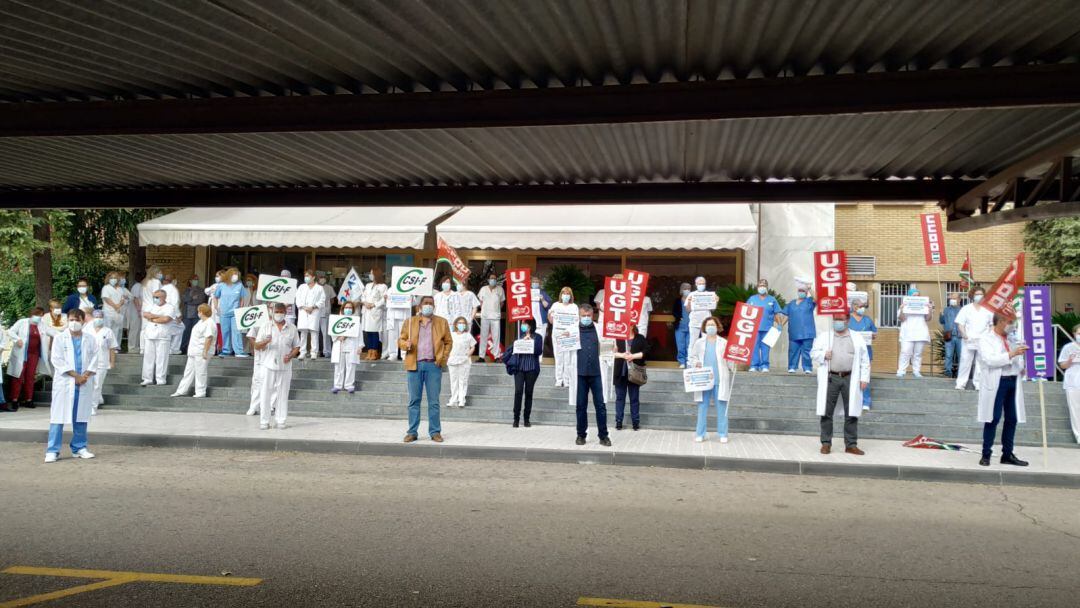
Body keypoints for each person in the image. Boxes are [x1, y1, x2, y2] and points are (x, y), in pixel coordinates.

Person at [811, 312, 870, 455]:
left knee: (852, 412)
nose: (838, 322)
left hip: (851, 377)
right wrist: (823, 354)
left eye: (841, 319)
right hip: (831, 377)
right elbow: (813, 353)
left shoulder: (856, 337)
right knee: (826, 411)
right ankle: (826, 443)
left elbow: (864, 359)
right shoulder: (825, 336)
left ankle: (851, 444)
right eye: (836, 319)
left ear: (847, 321)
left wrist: (864, 378)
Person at [45, 309, 99, 463]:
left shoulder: (90, 339)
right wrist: (76, 376)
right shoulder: (60, 338)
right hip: (65, 382)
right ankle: (52, 450)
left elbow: (95, 357)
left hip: (84, 382)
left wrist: (85, 376)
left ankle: (79, 448)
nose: (73, 323)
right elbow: (57, 359)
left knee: (81, 416)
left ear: (83, 321)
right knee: (58, 417)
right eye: (70, 319)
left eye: (76, 319)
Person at [977, 313, 1029, 466]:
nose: (1012, 325)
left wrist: (1022, 366)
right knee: (993, 418)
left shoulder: (1011, 338)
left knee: (1012, 418)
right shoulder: (986, 339)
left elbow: (1016, 359)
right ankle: (986, 454)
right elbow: (989, 360)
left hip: (1013, 381)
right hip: (997, 382)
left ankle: (1007, 454)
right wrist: (1012, 353)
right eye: (1010, 322)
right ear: (1000, 322)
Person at [398, 295, 452, 443]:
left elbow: (448, 342)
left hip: (433, 366)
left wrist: (442, 358)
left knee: (433, 401)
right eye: (426, 303)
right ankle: (412, 432)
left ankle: (435, 432)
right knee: (414, 401)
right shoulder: (410, 322)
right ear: (420, 306)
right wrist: (405, 344)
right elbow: (401, 339)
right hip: (414, 365)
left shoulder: (442, 322)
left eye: (431, 303)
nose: (429, 305)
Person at [254, 303, 301, 430]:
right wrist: (265, 341)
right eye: (277, 311)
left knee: (283, 393)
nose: (279, 314)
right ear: (272, 312)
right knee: (265, 393)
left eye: (281, 311)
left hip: (285, 366)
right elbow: (257, 346)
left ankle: (281, 420)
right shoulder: (265, 326)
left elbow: (297, 346)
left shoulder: (292, 328)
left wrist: (290, 355)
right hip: (268, 365)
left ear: (285, 312)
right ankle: (264, 421)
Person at [688, 316, 735, 442]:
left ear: (717, 326)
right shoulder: (699, 342)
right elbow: (692, 358)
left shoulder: (724, 343)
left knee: (721, 408)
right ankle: (700, 433)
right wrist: (696, 363)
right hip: (703, 380)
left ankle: (723, 434)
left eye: (713, 325)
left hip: (720, 379)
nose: (710, 327)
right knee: (702, 407)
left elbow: (729, 360)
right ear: (704, 327)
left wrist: (735, 364)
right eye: (708, 325)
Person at [574, 304, 610, 446]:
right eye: (584, 316)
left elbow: (607, 347)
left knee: (600, 405)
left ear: (593, 315)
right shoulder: (572, 330)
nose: (586, 318)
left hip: (597, 374)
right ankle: (581, 435)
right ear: (579, 315)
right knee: (580, 406)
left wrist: (612, 348)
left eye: (589, 316)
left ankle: (603, 436)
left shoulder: (600, 329)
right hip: (580, 373)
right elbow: (564, 350)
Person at [5, 307, 47, 411]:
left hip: (34, 354)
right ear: (32, 314)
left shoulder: (41, 325)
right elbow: (11, 331)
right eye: (38, 314)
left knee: (30, 377)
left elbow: (52, 332)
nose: (39, 317)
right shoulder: (22, 322)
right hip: (21, 353)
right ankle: (14, 400)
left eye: (41, 315)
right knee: (18, 375)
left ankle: (28, 399)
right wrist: (17, 339)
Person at [171, 304, 216, 399]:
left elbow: (209, 337)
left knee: (200, 372)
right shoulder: (200, 322)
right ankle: (181, 390)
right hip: (194, 351)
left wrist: (205, 351)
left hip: (201, 351)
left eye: (199, 311)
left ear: (202, 312)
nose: (198, 313)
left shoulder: (210, 323)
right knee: (188, 371)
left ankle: (200, 392)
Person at [505, 319, 543, 427]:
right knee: (518, 391)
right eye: (522, 324)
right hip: (519, 368)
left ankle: (527, 418)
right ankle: (516, 418)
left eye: (525, 324)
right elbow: (513, 349)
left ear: (530, 325)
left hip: (531, 368)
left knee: (529, 392)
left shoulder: (538, 337)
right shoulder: (518, 335)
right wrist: (521, 342)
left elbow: (539, 351)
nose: (523, 326)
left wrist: (530, 340)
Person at [955, 285, 992, 390]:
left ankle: (978, 384)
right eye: (977, 294)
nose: (979, 296)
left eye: (981, 294)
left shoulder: (988, 309)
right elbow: (960, 323)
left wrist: (989, 335)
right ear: (972, 295)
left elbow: (992, 324)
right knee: (965, 361)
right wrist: (964, 334)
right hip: (968, 339)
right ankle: (960, 383)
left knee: (981, 363)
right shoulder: (966, 309)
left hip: (983, 340)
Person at [613, 322, 648, 431]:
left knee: (634, 399)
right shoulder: (617, 338)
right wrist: (621, 355)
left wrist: (633, 356)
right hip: (620, 372)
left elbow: (647, 351)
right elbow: (609, 353)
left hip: (634, 373)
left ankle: (635, 422)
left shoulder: (640, 338)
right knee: (620, 398)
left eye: (628, 324)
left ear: (633, 325)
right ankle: (619, 421)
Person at [746, 279, 783, 372]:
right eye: (760, 285)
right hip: (754, 328)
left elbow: (777, 313)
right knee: (754, 347)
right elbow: (745, 311)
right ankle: (754, 365)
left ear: (767, 287)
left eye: (764, 285)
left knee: (765, 347)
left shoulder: (772, 299)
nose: (762, 287)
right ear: (757, 287)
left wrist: (779, 324)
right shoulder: (752, 299)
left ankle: (765, 366)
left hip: (767, 328)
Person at [847, 297, 878, 410]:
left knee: (865, 378)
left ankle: (866, 402)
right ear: (854, 307)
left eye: (863, 307)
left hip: (866, 353)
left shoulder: (867, 320)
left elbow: (875, 332)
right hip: (850, 353)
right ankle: (852, 401)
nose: (862, 309)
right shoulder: (848, 319)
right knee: (850, 378)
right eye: (860, 306)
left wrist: (873, 335)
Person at [85, 309, 118, 413]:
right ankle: (88, 403)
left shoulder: (108, 331)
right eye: (96, 317)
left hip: (102, 362)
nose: (98, 319)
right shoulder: (86, 330)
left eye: (100, 317)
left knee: (97, 385)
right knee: (88, 384)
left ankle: (93, 406)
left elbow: (112, 348)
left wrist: (112, 362)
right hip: (88, 363)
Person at [896, 286, 933, 378]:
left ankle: (916, 371)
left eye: (918, 295)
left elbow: (928, 319)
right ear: (909, 297)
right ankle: (901, 371)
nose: (916, 297)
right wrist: (901, 309)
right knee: (905, 352)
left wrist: (930, 310)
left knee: (918, 353)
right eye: (914, 295)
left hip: (920, 333)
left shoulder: (924, 306)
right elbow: (902, 318)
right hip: (907, 334)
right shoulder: (904, 306)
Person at [140, 289, 175, 386]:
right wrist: (157, 317)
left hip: (163, 336)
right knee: (148, 358)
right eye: (154, 297)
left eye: (157, 297)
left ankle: (160, 379)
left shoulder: (170, 307)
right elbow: (145, 314)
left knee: (162, 358)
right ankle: (147, 378)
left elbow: (166, 319)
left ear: (163, 297)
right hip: (150, 335)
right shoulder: (151, 305)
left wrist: (152, 317)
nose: (155, 299)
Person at [781, 282, 816, 374]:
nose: (801, 292)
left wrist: (810, 288)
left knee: (807, 351)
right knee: (793, 350)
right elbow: (786, 315)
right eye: (800, 290)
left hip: (807, 332)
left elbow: (817, 299)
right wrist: (781, 325)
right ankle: (792, 366)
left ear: (806, 292)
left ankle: (807, 367)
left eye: (803, 291)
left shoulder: (809, 301)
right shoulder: (791, 304)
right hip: (794, 331)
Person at [214, 267, 249, 357]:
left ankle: (239, 351)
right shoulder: (221, 285)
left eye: (237, 275)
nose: (235, 276)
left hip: (235, 313)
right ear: (229, 275)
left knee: (236, 332)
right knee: (225, 331)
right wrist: (216, 308)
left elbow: (242, 298)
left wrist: (240, 308)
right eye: (234, 274)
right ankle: (226, 350)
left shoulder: (239, 285)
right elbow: (215, 296)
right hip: (224, 313)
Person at [549, 287, 579, 388]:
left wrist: (569, 331)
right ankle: (559, 379)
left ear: (571, 296)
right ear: (561, 295)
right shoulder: (556, 305)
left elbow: (576, 321)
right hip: (558, 333)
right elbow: (551, 320)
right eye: (564, 293)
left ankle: (567, 380)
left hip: (569, 334)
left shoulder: (574, 306)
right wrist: (551, 316)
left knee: (568, 358)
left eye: (568, 293)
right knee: (558, 357)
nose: (566, 295)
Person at [330, 302, 361, 394]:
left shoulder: (356, 320)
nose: (348, 309)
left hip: (352, 345)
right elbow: (332, 332)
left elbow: (360, 335)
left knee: (350, 366)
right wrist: (338, 337)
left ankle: (349, 385)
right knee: (339, 367)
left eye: (350, 308)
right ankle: (337, 385)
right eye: (346, 307)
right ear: (343, 309)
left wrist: (360, 346)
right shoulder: (336, 320)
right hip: (339, 344)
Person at [295, 269, 325, 359]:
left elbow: (322, 300)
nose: (306, 277)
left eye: (308, 276)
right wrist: (304, 307)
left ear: (313, 277)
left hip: (314, 312)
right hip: (303, 311)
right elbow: (298, 299)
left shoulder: (319, 288)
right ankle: (302, 352)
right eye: (305, 276)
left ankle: (314, 352)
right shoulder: (301, 287)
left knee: (314, 332)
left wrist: (313, 307)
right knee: (303, 333)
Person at [447, 316, 476, 407]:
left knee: (463, 380)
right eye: (459, 323)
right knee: (453, 380)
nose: (461, 325)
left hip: (464, 360)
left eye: (463, 323)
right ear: (455, 324)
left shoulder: (468, 335)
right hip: (452, 359)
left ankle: (461, 399)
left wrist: (468, 354)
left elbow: (473, 346)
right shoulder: (451, 334)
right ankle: (453, 399)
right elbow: (446, 345)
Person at [1058, 324, 1080, 444]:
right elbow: (1062, 365)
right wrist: (1069, 361)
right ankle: (1079, 435)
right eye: (1079, 333)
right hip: (1073, 381)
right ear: (1074, 334)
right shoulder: (1068, 347)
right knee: (1075, 409)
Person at [477, 273, 505, 362]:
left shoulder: (500, 289)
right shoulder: (483, 289)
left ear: (496, 280)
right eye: (491, 278)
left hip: (495, 317)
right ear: (488, 280)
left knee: (496, 337)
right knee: (483, 336)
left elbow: (502, 302)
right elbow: (480, 301)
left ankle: (496, 356)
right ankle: (481, 357)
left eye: (494, 278)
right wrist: (485, 310)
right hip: (485, 316)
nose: (493, 280)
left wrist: (496, 310)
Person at [361, 268, 388, 360]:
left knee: (374, 332)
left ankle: (375, 352)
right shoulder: (368, 285)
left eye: (372, 273)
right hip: (367, 311)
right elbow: (363, 296)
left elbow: (384, 299)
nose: (370, 275)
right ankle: (369, 351)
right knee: (368, 332)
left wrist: (373, 304)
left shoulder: (383, 286)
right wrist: (365, 303)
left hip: (375, 311)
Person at [684, 276, 715, 356]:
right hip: (694, 322)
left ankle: (705, 360)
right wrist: (690, 302)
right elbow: (687, 310)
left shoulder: (709, 294)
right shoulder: (691, 294)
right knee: (693, 343)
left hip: (706, 323)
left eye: (703, 283)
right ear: (696, 284)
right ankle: (691, 361)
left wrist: (716, 301)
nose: (701, 285)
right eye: (700, 283)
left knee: (706, 342)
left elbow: (713, 309)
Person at [138, 266, 163, 354]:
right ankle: (151, 347)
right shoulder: (156, 282)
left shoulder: (145, 282)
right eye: (159, 272)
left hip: (144, 307)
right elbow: (156, 295)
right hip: (152, 307)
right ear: (155, 273)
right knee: (153, 326)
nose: (161, 274)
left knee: (144, 328)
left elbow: (141, 297)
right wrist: (160, 305)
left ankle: (142, 348)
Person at [40, 299, 68, 376]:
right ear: (51, 308)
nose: (58, 309)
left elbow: (66, 327)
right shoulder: (45, 317)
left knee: (61, 360)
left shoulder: (65, 316)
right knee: (50, 361)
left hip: (62, 342)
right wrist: (58, 330)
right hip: (49, 343)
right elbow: (45, 328)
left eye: (59, 307)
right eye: (56, 308)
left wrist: (52, 329)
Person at [180, 274, 207, 353]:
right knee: (185, 332)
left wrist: (190, 301)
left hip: (197, 315)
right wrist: (192, 298)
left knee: (196, 333)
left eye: (197, 279)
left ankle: (194, 349)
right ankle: (183, 348)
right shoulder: (186, 290)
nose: (196, 281)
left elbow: (200, 300)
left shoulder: (201, 290)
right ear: (190, 281)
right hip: (187, 315)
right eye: (194, 279)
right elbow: (184, 299)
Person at [940, 294, 962, 378]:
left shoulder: (963, 310)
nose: (952, 299)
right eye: (951, 298)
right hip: (949, 336)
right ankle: (948, 371)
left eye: (954, 298)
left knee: (961, 355)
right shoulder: (946, 310)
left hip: (960, 336)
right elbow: (942, 321)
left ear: (959, 299)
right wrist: (941, 314)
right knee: (948, 355)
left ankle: (960, 372)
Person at [162, 274, 184, 355]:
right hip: (172, 314)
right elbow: (175, 303)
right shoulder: (173, 289)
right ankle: (174, 348)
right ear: (174, 280)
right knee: (181, 327)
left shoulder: (162, 288)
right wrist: (178, 315)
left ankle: (169, 348)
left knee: (168, 330)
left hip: (163, 313)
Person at [100, 272, 126, 340]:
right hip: (108, 312)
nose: (113, 279)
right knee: (107, 330)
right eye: (111, 278)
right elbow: (106, 299)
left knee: (116, 330)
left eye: (115, 278)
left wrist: (119, 305)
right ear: (108, 279)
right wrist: (116, 306)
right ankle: (107, 347)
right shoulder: (106, 287)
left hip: (118, 312)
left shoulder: (120, 289)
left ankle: (115, 348)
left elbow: (122, 299)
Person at [318, 272, 336, 358]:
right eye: (321, 277)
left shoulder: (329, 288)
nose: (322, 279)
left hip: (326, 313)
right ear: (317, 278)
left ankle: (327, 351)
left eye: (324, 277)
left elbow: (332, 300)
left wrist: (327, 307)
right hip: (315, 313)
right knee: (315, 333)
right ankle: (316, 351)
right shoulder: (315, 287)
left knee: (326, 334)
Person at [673, 282, 691, 368]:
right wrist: (678, 317)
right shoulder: (677, 301)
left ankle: (689, 361)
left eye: (688, 289)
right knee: (680, 345)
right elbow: (674, 311)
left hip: (691, 326)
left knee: (689, 345)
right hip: (680, 326)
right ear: (681, 290)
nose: (687, 290)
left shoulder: (693, 301)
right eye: (685, 288)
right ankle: (682, 362)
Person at [119, 275, 137, 352]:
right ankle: (116, 346)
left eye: (124, 278)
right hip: (119, 311)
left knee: (125, 328)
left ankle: (127, 347)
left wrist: (127, 297)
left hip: (126, 311)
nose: (123, 280)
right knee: (118, 330)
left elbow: (132, 297)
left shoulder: (125, 289)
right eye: (121, 279)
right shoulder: (115, 289)